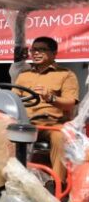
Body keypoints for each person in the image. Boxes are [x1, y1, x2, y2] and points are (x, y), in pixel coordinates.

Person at [14, 37, 79, 182]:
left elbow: (70, 103)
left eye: (41, 49)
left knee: (60, 137)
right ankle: (7, 182)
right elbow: (13, 99)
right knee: (0, 133)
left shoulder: (65, 74)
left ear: (54, 53)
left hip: (52, 124)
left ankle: (56, 184)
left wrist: (51, 98)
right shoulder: (23, 76)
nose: (35, 53)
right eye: (33, 50)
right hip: (27, 123)